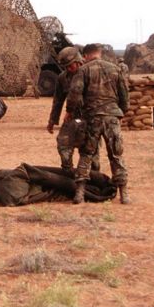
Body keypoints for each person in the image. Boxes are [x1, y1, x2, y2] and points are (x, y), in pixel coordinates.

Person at [67, 43, 130, 204]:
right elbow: (125, 96)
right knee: (116, 155)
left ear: (86, 55)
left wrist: (70, 112)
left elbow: (75, 93)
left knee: (87, 154)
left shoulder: (84, 70)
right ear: (99, 53)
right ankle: (124, 194)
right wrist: (120, 112)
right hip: (112, 118)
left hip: (92, 118)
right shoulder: (115, 69)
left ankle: (79, 194)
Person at [46, 46, 92, 174]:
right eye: (65, 67)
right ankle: (69, 175)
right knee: (63, 143)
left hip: (90, 118)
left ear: (79, 61)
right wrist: (52, 120)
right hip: (73, 117)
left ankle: (93, 180)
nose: (68, 69)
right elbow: (58, 100)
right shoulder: (63, 78)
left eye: (70, 66)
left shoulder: (90, 73)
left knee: (89, 152)